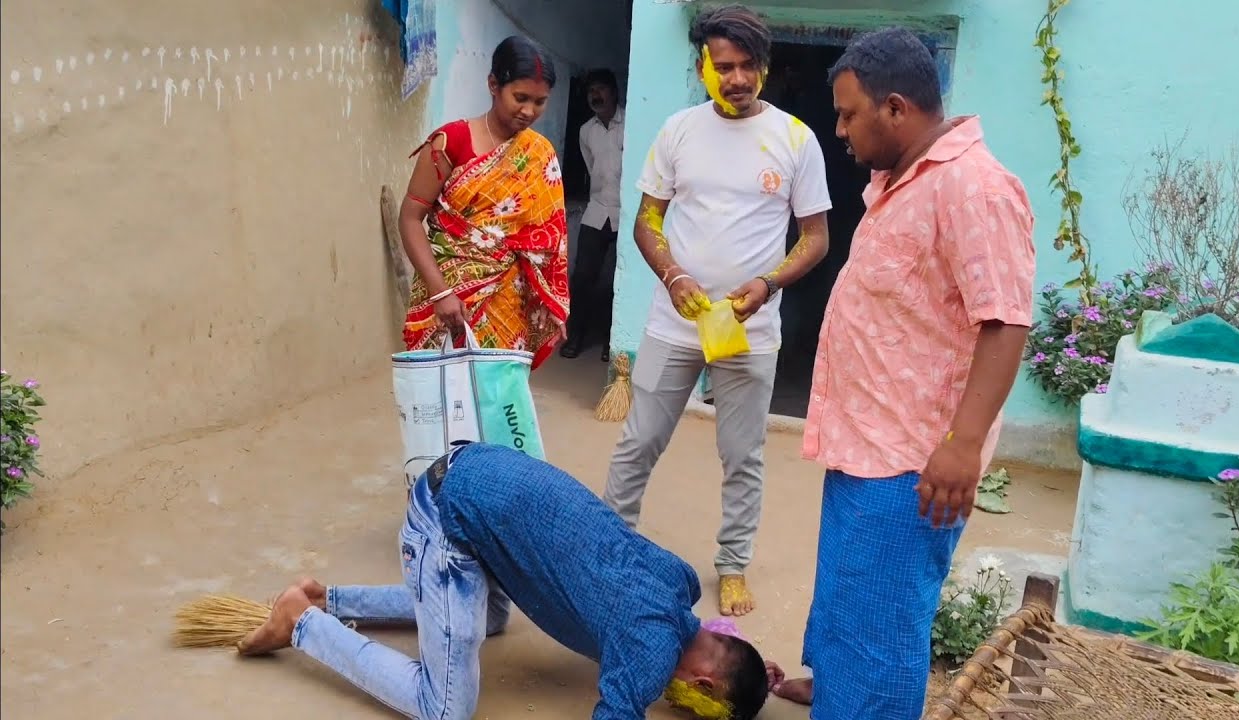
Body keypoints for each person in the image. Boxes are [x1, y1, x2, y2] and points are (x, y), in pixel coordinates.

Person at [771, 28, 1036, 719]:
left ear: (895, 108)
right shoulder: (901, 183)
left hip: (912, 465)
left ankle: (859, 703)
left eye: (848, 114)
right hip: (864, 446)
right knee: (847, 597)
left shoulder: (974, 188)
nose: (839, 129)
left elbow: (1005, 322)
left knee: (881, 629)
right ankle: (835, 689)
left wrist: (962, 445)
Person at [236, 442, 775, 720]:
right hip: (445, 521)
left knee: (491, 619)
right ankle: (301, 621)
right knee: (444, 707)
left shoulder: (680, 584)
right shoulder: (648, 653)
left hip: (479, 472)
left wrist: (752, 676)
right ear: (703, 685)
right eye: (698, 706)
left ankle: (327, 598)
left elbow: (684, 642)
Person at [602, 4, 832, 618]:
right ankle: (608, 546)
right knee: (639, 440)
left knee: (742, 454)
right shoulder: (678, 130)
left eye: (747, 65)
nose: (736, 78)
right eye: (723, 66)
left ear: (765, 66)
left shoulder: (795, 139)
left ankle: (732, 565)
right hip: (673, 321)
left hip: (749, 329)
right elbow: (647, 221)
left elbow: (815, 238)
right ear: (703, 64)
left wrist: (768, 283)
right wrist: (673, 275)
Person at [398, 35, 570, 369]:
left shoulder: (539, 153)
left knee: (498, 392)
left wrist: (548, 299)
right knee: (443, 390)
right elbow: (409, 217)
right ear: (493, 85)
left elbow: (549, 237)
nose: (529, 111)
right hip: (447, 295)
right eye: (520, 98)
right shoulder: (451, 142)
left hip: (508, 301)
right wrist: (440, 292)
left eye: (540, 102)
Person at [561, 68, 625, 361]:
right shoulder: (586, 131)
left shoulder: (631, 123)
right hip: (597, 211)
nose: (595, 96)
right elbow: (591, 167)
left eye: (600, 89)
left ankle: (613, 342)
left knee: (619, 282)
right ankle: (576, 337)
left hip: (626, 212)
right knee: (583, 278)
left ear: (614, 92)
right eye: (590, 91)